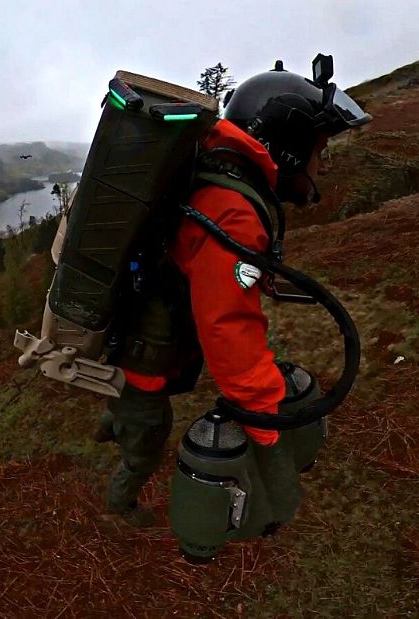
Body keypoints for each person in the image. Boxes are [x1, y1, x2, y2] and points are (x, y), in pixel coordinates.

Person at [96, 60, 346, 526]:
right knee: (149, 437)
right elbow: (228, 330)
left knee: (134, 408)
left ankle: (116, 420)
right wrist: (264, 420)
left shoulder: (216, 176)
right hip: (142, 357)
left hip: (137, 336)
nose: (321, 165)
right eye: (318, 151)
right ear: (288, 149)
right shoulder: (233, 212)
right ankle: (119, 505)